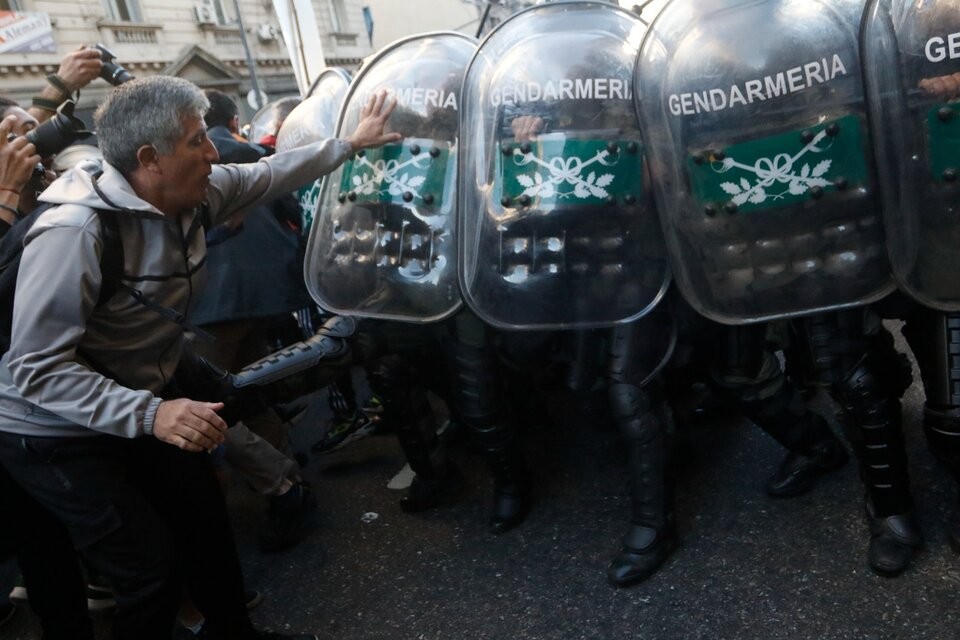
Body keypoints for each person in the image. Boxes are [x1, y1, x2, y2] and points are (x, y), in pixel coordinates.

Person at [0, 75, 398, 640]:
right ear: (150, 158)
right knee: (148, 571)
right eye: (195, 141)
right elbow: (36, 369)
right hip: (51, 430)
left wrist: (350, 144)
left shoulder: (197, 191)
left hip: (136, 393)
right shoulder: (76, 232)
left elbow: (267, 172)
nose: (213, 152)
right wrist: (153, 415)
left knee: (206, 526)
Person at [193, 88, 318, 554]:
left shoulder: (184, 163)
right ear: (233, 118)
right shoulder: (246, 153)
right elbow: (294, 211)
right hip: (265, 294)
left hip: (214, 305)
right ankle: (286, 475)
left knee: (206, 404)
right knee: (248, 393)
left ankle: (283, 484)